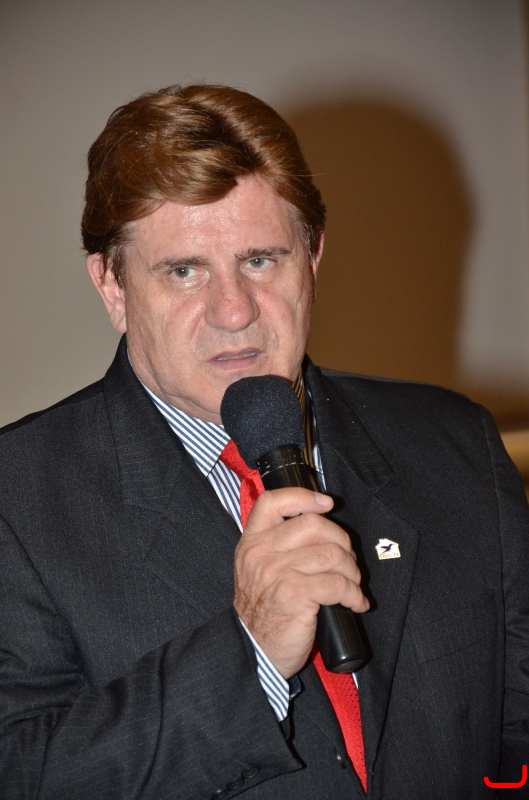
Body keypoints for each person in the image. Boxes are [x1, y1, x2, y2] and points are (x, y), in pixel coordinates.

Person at [0, 84, 528, 800]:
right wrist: (248, 652)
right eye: (184, 270)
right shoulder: (18, 501)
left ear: (312, 257)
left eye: (260, 260)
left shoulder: (453, 442)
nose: (233, 311)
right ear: (112, 286)